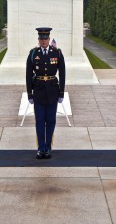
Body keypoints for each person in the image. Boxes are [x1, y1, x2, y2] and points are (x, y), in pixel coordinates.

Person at [26, 27, 66, 159]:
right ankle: (40, 148)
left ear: (49, 39)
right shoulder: (33, 53)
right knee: (39, 121)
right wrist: (29, 94)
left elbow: (63, 73)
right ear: (38, 40)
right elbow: (28, 75)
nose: (43, 41)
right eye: (41, 38)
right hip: (38, 92)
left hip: (52, 92)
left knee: (50, 120)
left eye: (45, 38)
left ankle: (48, 148)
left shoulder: (57, 53)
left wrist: (61, 93)